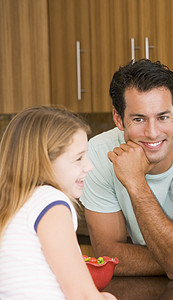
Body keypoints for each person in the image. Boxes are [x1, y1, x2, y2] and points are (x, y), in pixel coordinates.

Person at [80, 59, 173, 279]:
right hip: (141, 288)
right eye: (139, 119)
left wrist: (135, 182)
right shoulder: (98, 154)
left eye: (162, 117)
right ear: (118, 119)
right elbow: (108, 254)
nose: (152, 132)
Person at [0, 106, 116, 299]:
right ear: (44, 162)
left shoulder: (14, 204)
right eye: (78, 158)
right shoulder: (51, 202)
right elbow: (82, 296)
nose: (89, 166)